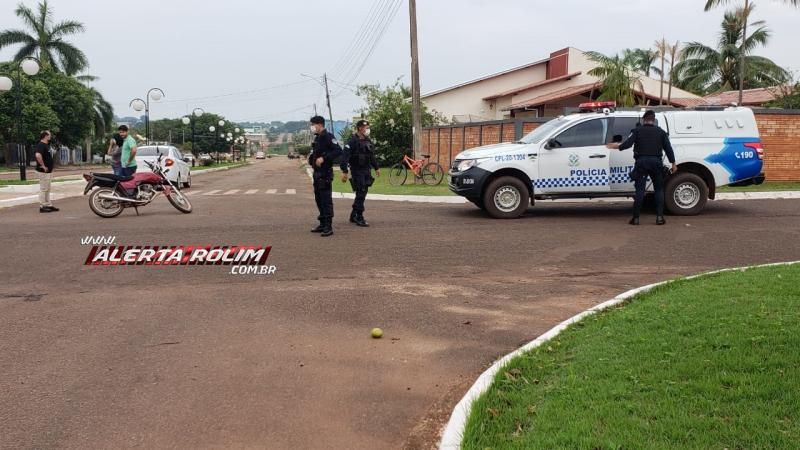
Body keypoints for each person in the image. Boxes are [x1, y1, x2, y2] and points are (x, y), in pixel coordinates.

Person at [607, 110, 677, 225]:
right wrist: (673, 163)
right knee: (659, 190)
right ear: (653, 120)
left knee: (640, 190)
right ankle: (659, 218)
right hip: (656, 163)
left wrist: (615, 147)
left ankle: (636, 218)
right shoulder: (661, 132)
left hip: (642, 163)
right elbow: (668, 149)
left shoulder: (637, 131)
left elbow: (628, 144)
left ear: (644, 120)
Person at [341, 120, 380, 227]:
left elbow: (371, 155)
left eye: (367, 127)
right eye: (365, 127)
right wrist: (344, 171)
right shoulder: (352, 141)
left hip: (366, 170)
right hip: (357, 170)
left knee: (363, 192)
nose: (367, 129)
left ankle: (354, 214)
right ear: (359, 128)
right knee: (361, 192)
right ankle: (359, 216)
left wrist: (376, 168)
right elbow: (345, 157)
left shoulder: (368, 140)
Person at [308, 116, 342, 237]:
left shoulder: (328, 137)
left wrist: (324, 158)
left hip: (325, 173)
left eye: (313, 125)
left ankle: (328, 226)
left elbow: (338, 150)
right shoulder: (318, 138)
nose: (312, 127)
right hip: (317, 174)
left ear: (319, 124)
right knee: (319, 199)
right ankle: (322, 223)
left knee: (326, 200)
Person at [33, 130, 58, 213]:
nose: (50, 136)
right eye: (49, 135)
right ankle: (42, 206)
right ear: (45, 136)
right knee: (43, 189)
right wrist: (43, 166)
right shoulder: (41, 145)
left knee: (47, 188)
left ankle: (48, 205)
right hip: (43, 171)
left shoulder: (46, 145)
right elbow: (38, 155)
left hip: (48, 171)